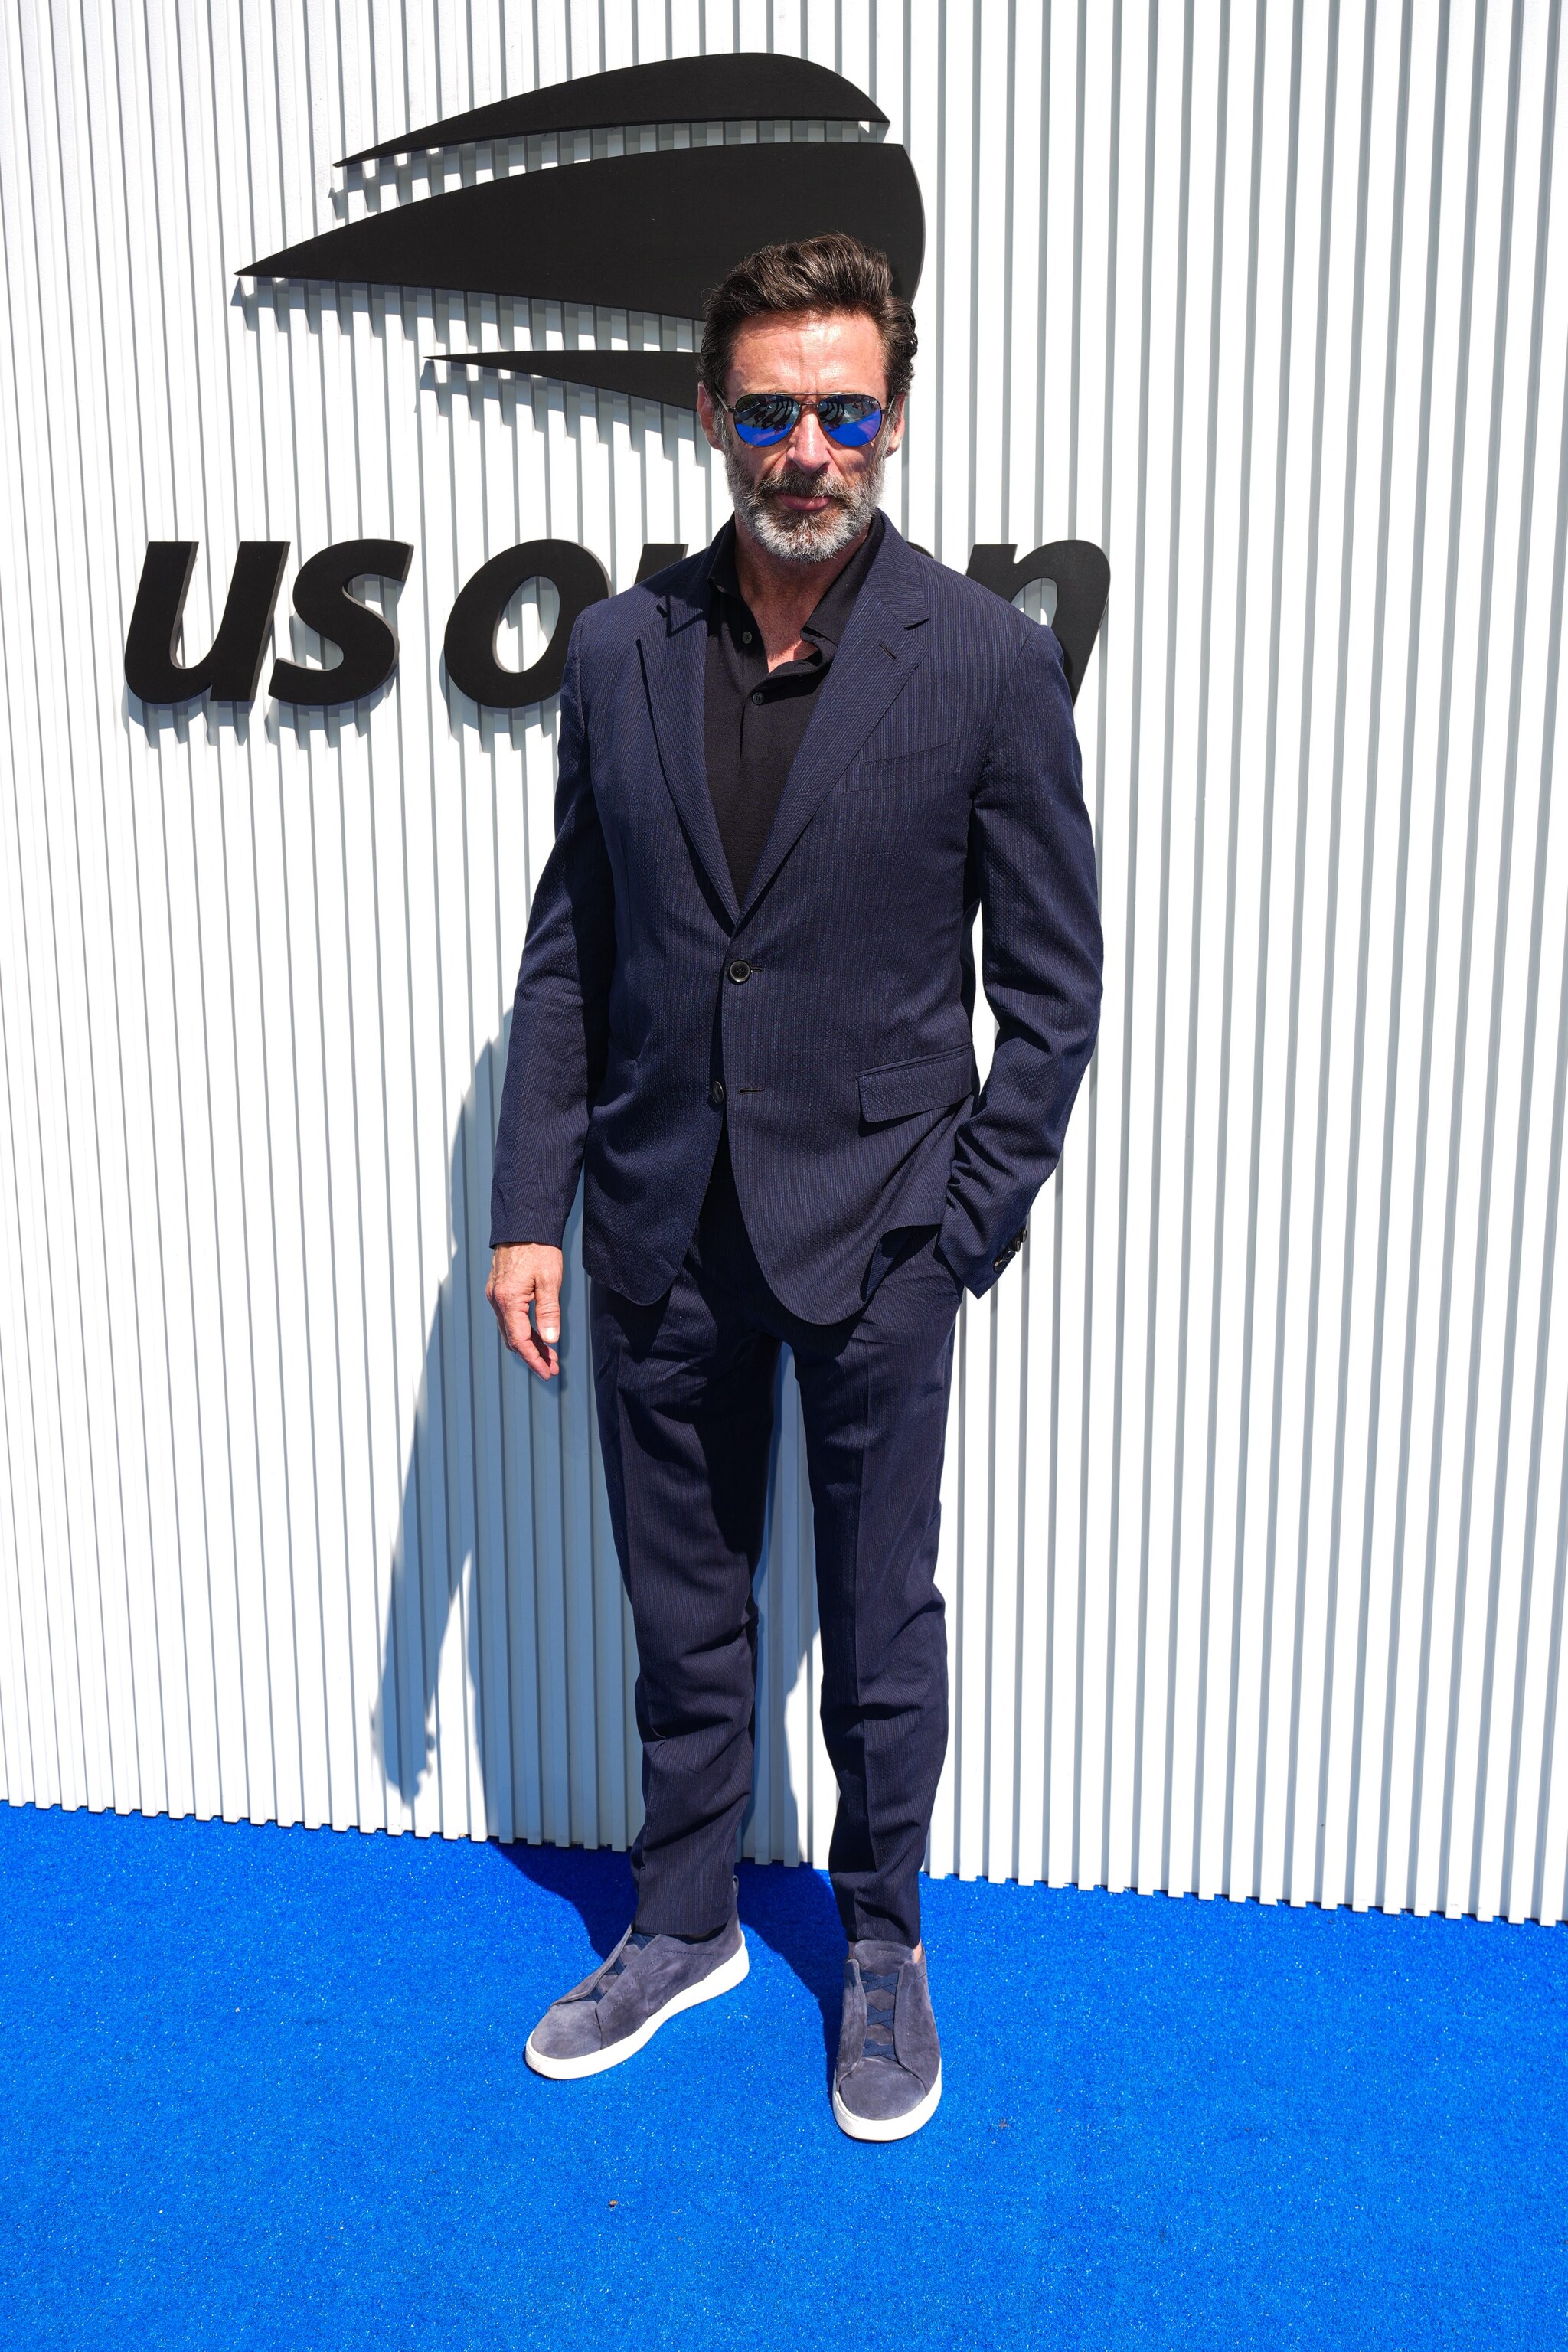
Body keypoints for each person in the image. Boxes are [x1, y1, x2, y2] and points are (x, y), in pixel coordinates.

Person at [485, 231, 1102, 2141]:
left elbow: (1054, 989)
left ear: (890, 420)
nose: (806, 448)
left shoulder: (984, 660)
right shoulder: (620, 651)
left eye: (841, 410)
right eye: (770, 413)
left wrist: (962, 1226)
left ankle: (884, 1943)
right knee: (683, 1605)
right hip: (658, 1219)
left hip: (882, 1227)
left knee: (876, 1618)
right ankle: (683, 1922)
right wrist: (527, 1209)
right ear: (710, 417)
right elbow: (575, 952)